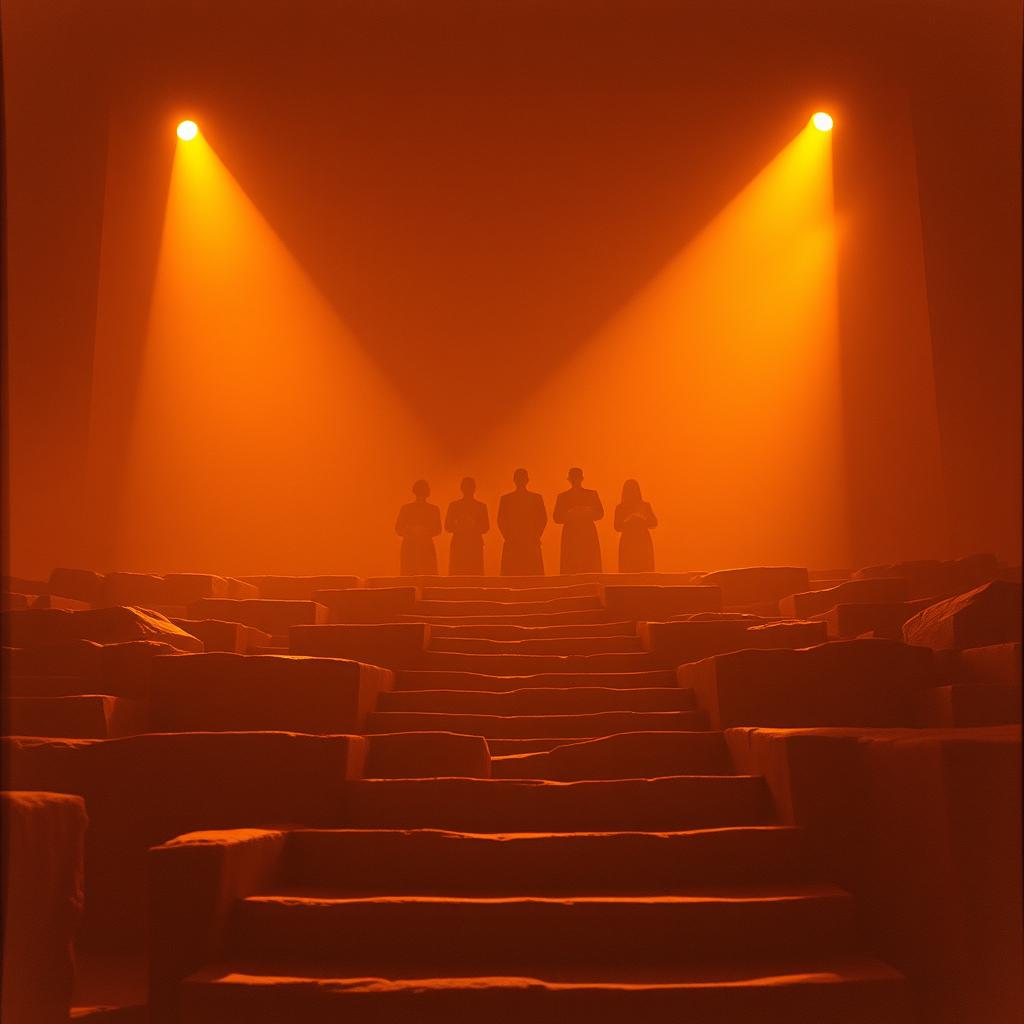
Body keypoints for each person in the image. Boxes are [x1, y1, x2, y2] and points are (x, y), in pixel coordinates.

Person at [497, 468, 547, 576]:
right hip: (526, 541)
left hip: (516, 542)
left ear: (514, 480)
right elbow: (542, 520)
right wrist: (535, 536)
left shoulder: (506, 499)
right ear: (527, 480)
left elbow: (501, 521)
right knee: (532, 577)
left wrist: (509, 537)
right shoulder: (536, 498)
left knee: (513, 577)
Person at [553, 467, 603, 574]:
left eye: (577, 477)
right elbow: (556, 518)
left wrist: (588, 511)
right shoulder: (563, 497)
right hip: (572, 534)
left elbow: (600, 514)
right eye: (574, 478)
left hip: (586, 533)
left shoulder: (591, 494)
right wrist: (570, 513)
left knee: (588, 563)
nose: (575, 480)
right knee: (572, 564)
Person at [395, 480, 441, 576]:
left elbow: (438, 529)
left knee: (423, 574)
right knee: (413, 574)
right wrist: (412, 531)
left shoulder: (432, 509)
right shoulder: (432, 509)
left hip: (423, 546)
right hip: (412, 546)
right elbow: (398, 528)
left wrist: (422, 531)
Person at [445, 477, 489, 576]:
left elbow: (486, 527)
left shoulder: (481, 506)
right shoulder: (455, 506)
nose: (468, 490)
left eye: (470, 487)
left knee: (473, 573)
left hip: (473, 544)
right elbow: (447, 526)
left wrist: (473, 525)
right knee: (460, 574)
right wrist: (461, 525)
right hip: (461, 544)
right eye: (467, 487)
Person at [614, 479, 657, 572]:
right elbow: (616, 526)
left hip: (642, 541)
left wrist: (643, 518)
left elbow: (654, 523)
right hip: (628, 542)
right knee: (628, 568)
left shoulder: (645, 505)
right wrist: (628, 519)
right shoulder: (620, 507)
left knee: (644, 567)